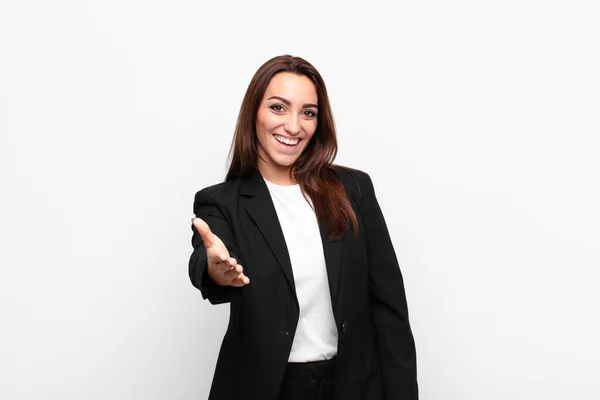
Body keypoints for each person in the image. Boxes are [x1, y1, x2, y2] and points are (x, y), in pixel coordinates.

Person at [189, 55, 418, 400]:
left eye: (308, 113)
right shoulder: (221, 202)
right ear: (254, 113)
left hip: (352, 385)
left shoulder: (353, 190)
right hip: (268, 388)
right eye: (279, 108)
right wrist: (218, 271)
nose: (294, 126)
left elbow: (389, 307)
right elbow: (205, 262)